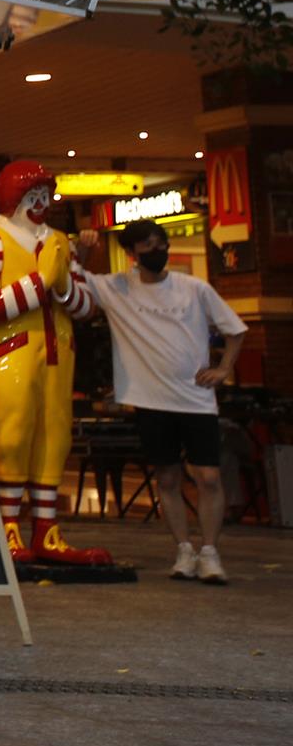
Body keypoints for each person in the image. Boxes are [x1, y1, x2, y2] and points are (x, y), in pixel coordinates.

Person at [80, 219, 246, 584]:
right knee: (168, 478)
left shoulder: (194, 288)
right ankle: (184, 550)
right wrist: (84, 247)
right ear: (131, 253)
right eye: (147, 245)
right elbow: (73, 280)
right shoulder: (117, 287)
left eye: (161, 242)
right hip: (151, 400)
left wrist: (223, 369)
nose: (156, 250)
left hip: (196, 399)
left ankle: (210, 551)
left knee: (209, 476)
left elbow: (235, 330)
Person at [0, 160, 109, 566]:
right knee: (12, 436)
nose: (41, 204)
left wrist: (62, 283)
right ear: (12, 198)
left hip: (58, 354)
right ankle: (8, 527)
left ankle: (47, 530)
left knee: (55, 437)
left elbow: (86, 307)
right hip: (8, 353)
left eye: (46, 197)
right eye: (33, 196)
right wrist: (44, 279)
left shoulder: (60, 242)